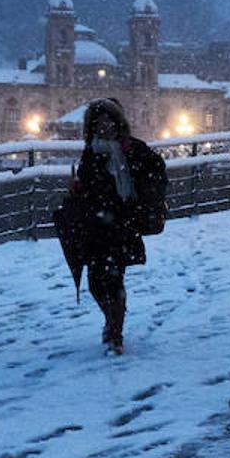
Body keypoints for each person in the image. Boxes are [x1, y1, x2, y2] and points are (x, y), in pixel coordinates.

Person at [70, 98, 166, 355]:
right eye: (98, 122)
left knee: (114, 280)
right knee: (94, 283)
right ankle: (111, 322)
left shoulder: (133, 149)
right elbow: (86, 183)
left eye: (108, 121)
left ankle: (115, 334)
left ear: (117, 122)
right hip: (96, 227)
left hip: (122, 225)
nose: (104, 126)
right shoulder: (91, 152)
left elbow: (157, 172)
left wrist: (145, 200)